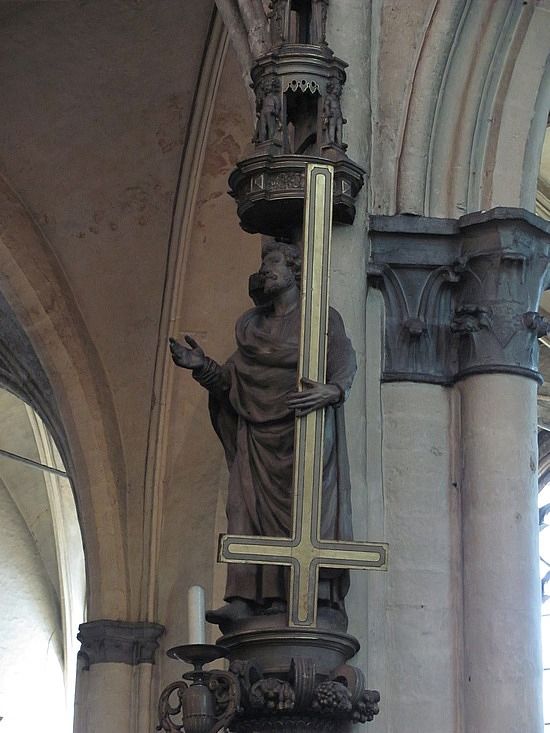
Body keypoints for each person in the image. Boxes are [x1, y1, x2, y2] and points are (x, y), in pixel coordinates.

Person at [169, 240, 356, 624]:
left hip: (305, 430)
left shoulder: (320, 318)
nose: (267, 269)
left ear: (294, 271)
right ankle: (245, 597)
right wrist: (201, 366)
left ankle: (313, 597)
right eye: (265, 263)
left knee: (310, 512)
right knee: (243, 508)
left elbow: (343, 357)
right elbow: (230, 382)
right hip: (256, 436)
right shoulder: (252, 330)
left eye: (274, 262)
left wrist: (333, 390)